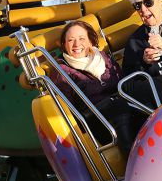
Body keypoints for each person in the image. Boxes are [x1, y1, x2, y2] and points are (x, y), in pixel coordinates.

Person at [49, 20, 136, 156]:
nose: (77, 44)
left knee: (143, 90)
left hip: (121, 104)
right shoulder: (61, 71)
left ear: (90, 41)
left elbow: (122, 81)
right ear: (64, 45)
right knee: (117, 105)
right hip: (94, 118)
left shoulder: (102, 57)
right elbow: (68, 109)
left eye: (82, 39)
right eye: (71, 40)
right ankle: (131, 155)